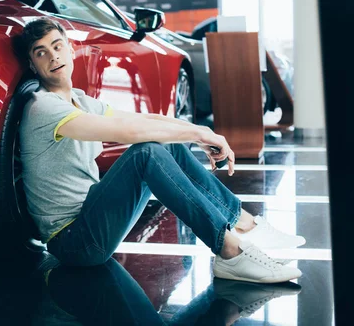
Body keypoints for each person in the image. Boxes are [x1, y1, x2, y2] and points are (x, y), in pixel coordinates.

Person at [18, 17, 305, 284]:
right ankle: (230, 252)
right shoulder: (43, 107)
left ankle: (243, 224)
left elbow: (141, 119)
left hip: (92, 215)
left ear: (70, 49)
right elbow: (128, 133)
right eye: (41, 52)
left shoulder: (79, 100)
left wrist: (200, 131)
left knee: (170, 147)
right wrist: (196, 132)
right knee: (146, 153)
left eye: (57, 46)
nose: (53, 56)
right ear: (33, 65)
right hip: (74, 241)